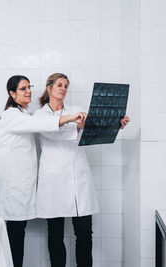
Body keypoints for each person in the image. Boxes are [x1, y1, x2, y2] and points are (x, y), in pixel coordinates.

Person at [34, 73, 129, 267]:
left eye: (66, 86)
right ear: (49, 88)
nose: (63, 88)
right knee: (56, 234)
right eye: (59, 85)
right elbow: (52, 131)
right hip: (54, 180)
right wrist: (76, 125)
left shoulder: (77, 110)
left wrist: (116, 125)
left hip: (79, 177)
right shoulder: (40, 115)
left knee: (85, 233)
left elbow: (94, 129)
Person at [0, 75, 87, 267]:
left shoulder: (26, 113)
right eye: (23, 88)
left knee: (19, 233)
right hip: (14, 186)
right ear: (12, 94)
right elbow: (40, 125)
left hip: (25, 184)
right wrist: (70, 117)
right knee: (15, 235)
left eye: (29, 87)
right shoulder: (10, 115)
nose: (28, 91)